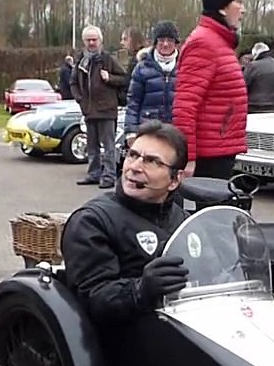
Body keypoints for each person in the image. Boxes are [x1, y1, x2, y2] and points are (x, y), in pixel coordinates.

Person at [60, 120, 191, 327]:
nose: (135, 167)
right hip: (125, 338)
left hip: (184, 322)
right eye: (133, 155)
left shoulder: (183, 219)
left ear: (174, 180)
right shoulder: (92, 221)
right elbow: (91, 299)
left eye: (151, 161)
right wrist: (140, 290)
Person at [172, 0, 249, 179]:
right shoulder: (203, 44)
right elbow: (185, 105)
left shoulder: (220, 43)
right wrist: (188, 156)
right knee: (212, 210)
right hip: (209, 155)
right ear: (222, 8)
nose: (243, 10)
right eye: (238, 2)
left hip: (220, 148)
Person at [71, 24, 129, 188]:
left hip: (107, 111)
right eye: (88, 40)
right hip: (89, 111)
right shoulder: (82, 61)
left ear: (100, 41)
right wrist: (80, 99)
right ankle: (93, 174)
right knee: (92, 147)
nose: (91, 43)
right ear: (84, 42)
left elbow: (125, 79)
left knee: (109, 147)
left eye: (94, 40)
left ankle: (109, 177)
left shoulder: (108, 59)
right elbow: (73, 82)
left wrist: (109, 77)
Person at [123, 20, 180, 138]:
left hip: (176, 131)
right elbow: (133, 102)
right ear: (155, 42)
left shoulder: (185, 67)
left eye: (170, 40)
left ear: (176, 43)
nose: (165, 44)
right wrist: (131, 131)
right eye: (161, 40)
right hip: (148, 129)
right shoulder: (142, 68)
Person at [243, 42, 274, 114]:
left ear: (255, 54)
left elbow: (243, 85)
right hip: (273, 107)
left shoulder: (252, 66)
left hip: (253, 108)